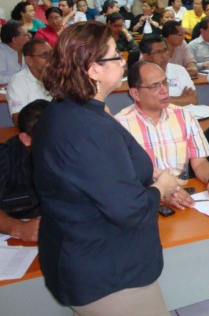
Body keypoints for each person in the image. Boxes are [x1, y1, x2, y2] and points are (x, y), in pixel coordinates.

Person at [32, 21, 182, 314]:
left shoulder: (69, 110)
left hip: (85, 254)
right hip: (108, 273)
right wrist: (160, 188)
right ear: (93, 69)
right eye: (116, 55)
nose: (123, 60)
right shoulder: (87, 128)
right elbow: (128, 210)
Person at [116, 61, 209, 211]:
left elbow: (199, 162)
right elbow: (125, 178)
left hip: (185, 194)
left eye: (165, 82)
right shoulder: (120, 125)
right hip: (147, 199)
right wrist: (162, 192)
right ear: (135, 93)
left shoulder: (184, 115)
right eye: (155, 86)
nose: (164, 90)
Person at [0, 99, 49, 242]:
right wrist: (18, 228)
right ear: (26, 139)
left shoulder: (75, 151)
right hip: (18, 240)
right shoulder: (6, 158)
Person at [140, 34, 197, 106]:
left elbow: (193, 99)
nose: (164, 55)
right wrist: (181, 98)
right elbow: (150, 103)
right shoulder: (140, 75)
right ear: (145, 56)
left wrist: (163, 100)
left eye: (165, 50)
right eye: (158, 52)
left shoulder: (179, 70)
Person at [6, 38, 51, 125]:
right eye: (45, 55)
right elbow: (19, 121)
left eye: (52, 55)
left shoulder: (56, 77)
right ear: (29, 60)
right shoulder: (17, 82)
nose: (51, 59)